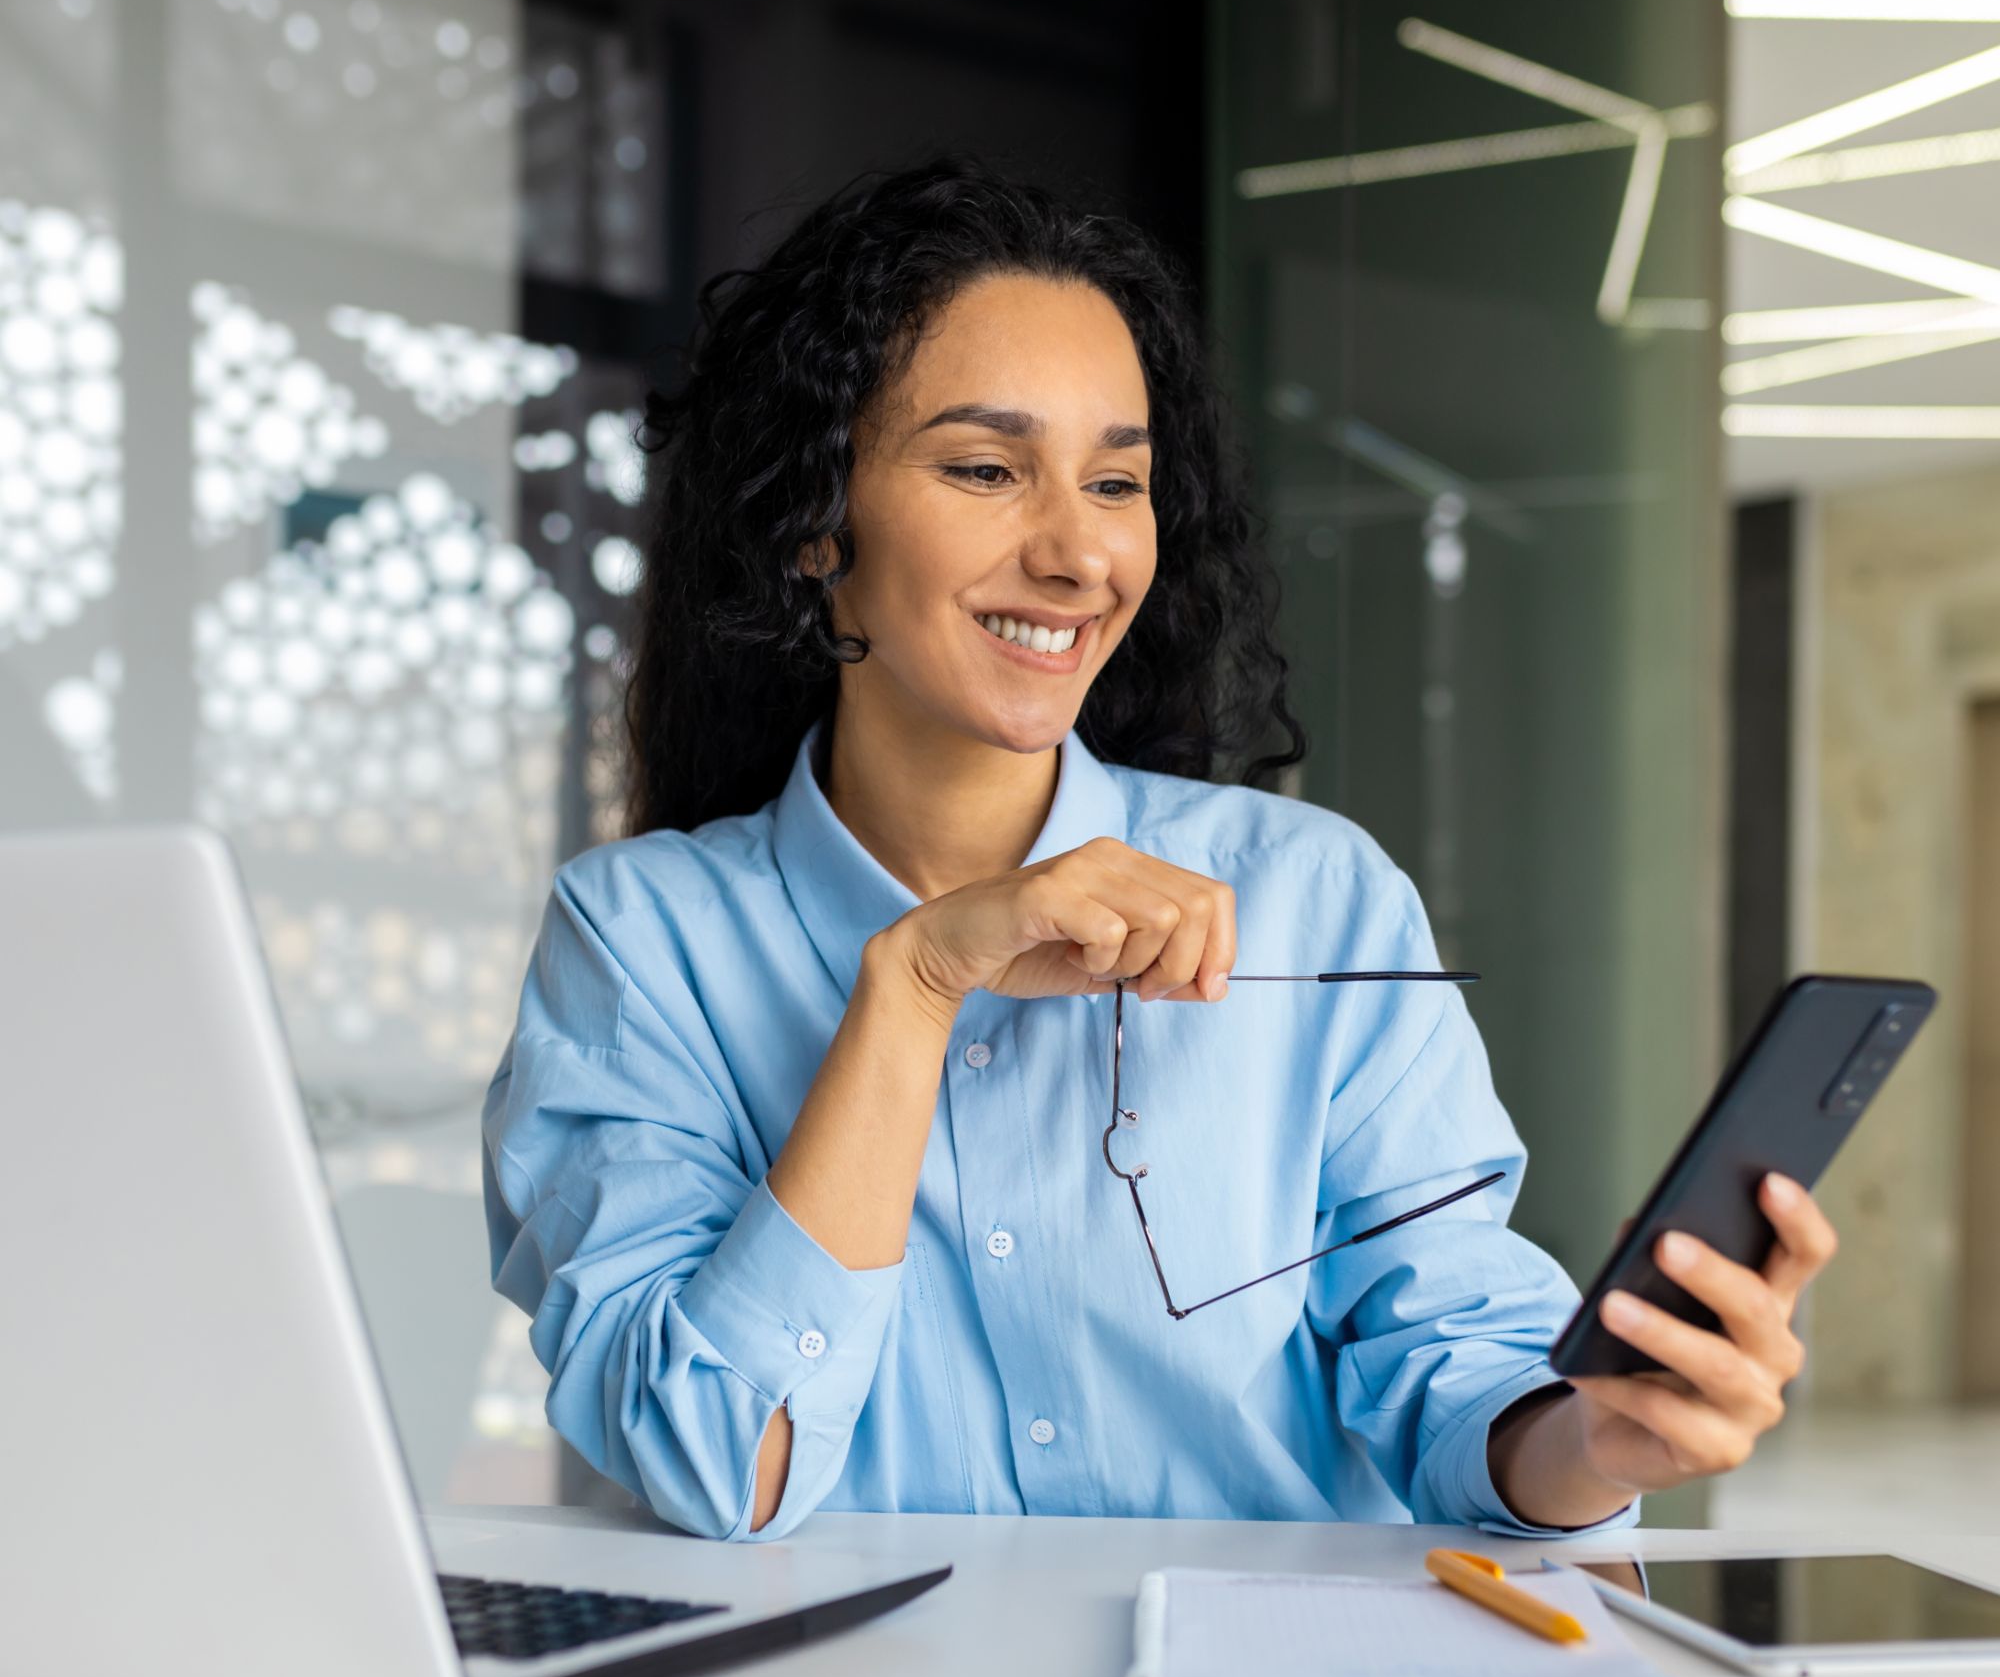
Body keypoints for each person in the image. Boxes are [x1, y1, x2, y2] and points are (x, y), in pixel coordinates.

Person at [481, 153, 1835, 1542]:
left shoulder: (1319, 899)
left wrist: (1598, 1435)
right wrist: (915, 986)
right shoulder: (638, 944)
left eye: (1117, 483)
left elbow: (1454, 1371)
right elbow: (710, 1462)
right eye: (987, 468)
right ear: (814, 523)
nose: (1079, 556)